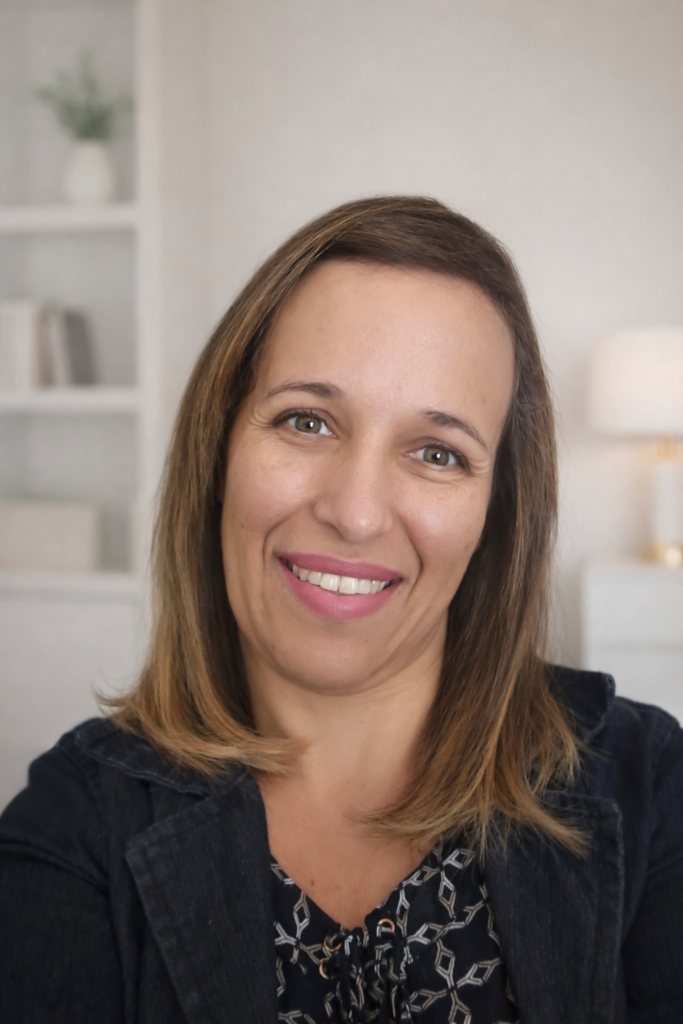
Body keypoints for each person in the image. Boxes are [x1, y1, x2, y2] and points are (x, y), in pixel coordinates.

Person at [0, 196, 681, 1024]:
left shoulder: (651, 789)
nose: (356, 514)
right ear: (218, 452)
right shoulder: (71, 827)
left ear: (494, 516)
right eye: (306, 421)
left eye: (437, 453)